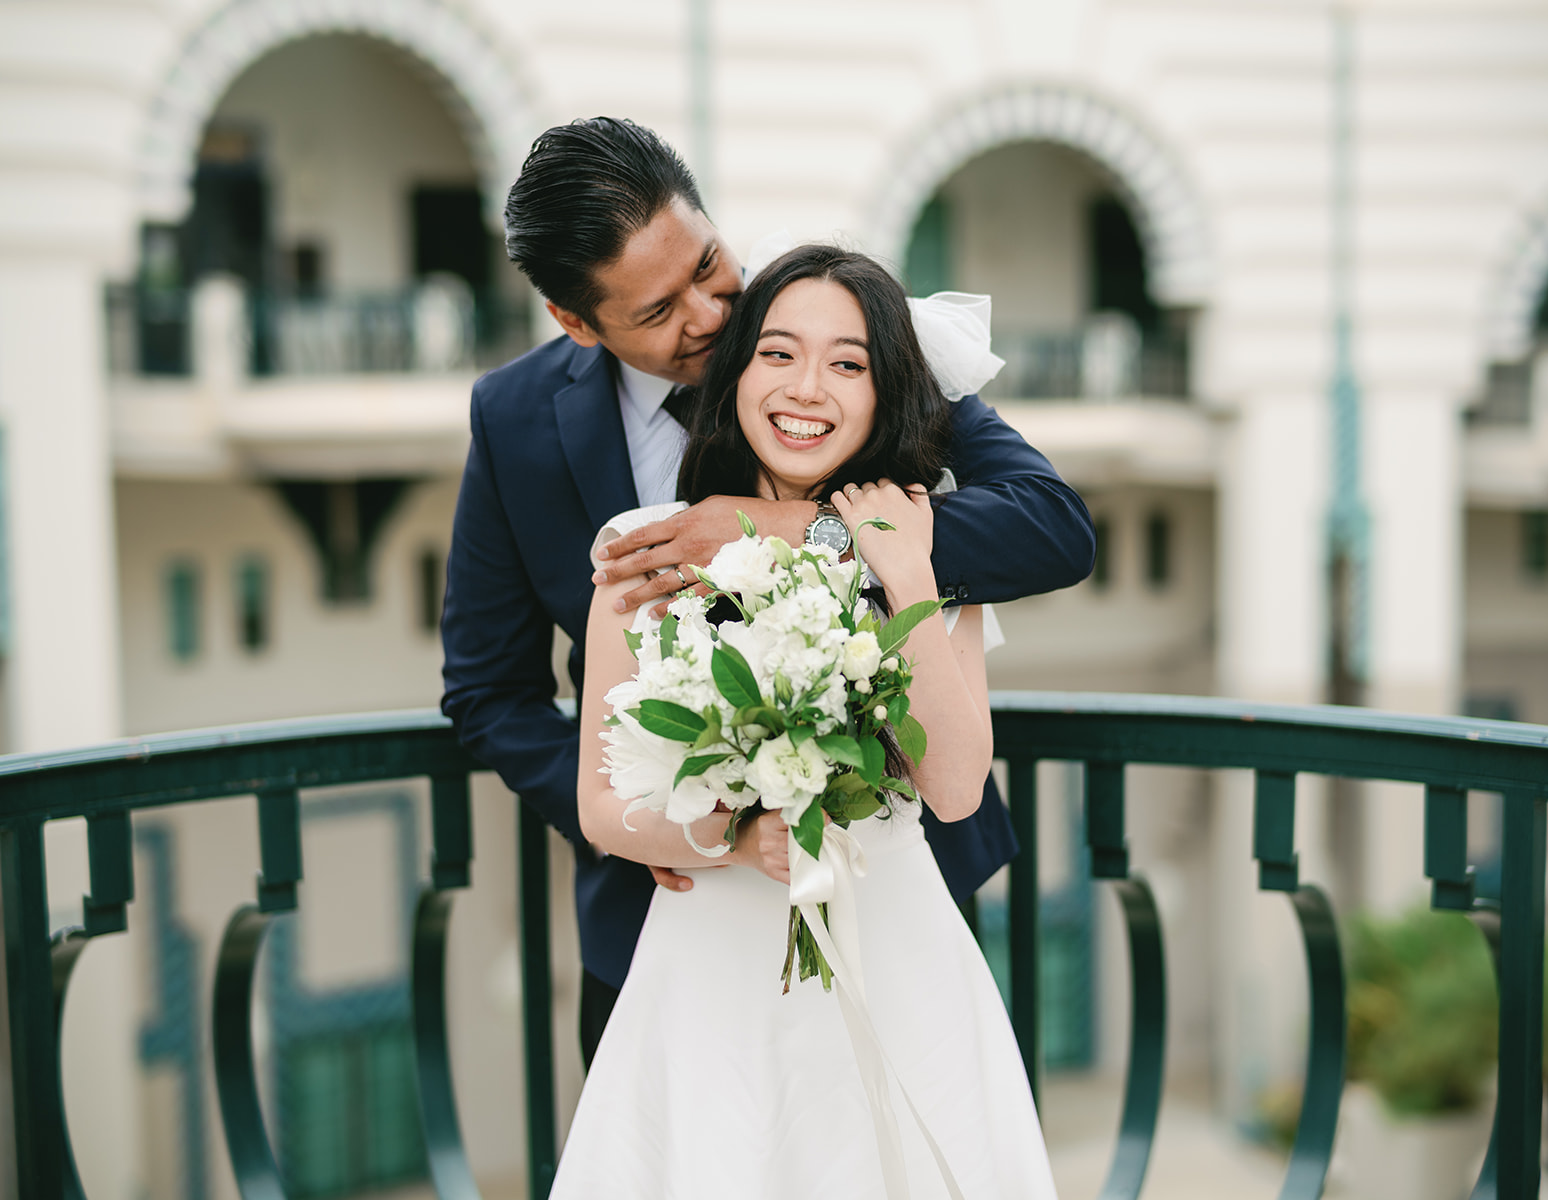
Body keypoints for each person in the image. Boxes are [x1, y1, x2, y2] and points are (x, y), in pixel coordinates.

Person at [440, 117, 1095, 1069]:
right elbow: (489, 692)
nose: (710, 315)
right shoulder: (512, 420)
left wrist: (787, 529)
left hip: (895, 894)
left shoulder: (847, 342)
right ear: (578, 324)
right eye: (659, 311)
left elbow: (1052, 527)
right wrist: (664, 810)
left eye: (709, 265)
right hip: (664, 917)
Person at [553, 243, 1057, 1199]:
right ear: (738, 370)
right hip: (710, 970)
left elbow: (951, 789)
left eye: (849, 363)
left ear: (885, 393)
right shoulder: (642, 548)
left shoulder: (932, 542)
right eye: (778, 353)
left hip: (898, 952)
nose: (808, 387)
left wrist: (905, 572)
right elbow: (601, 807)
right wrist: (735, 835)